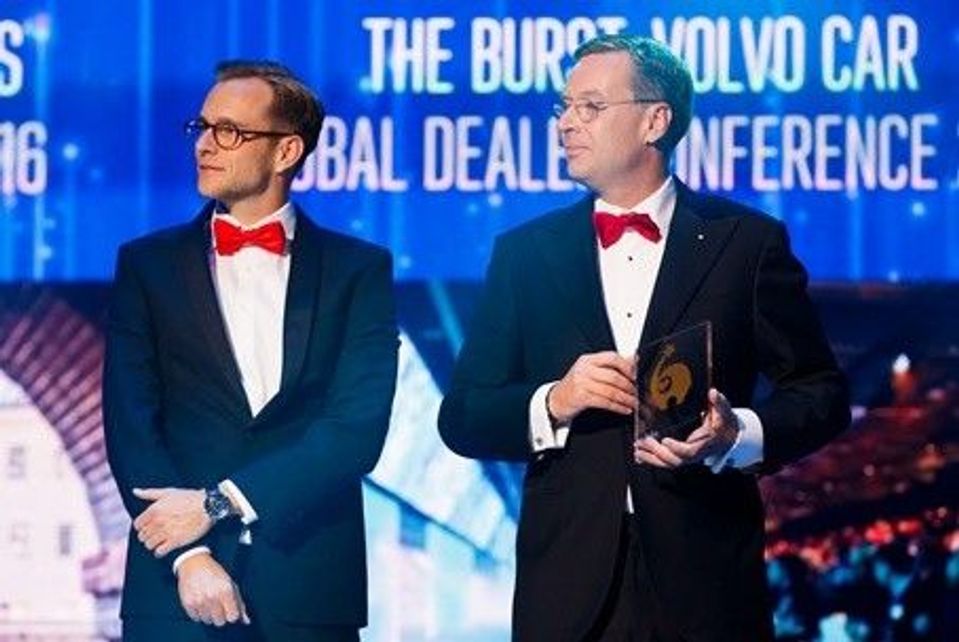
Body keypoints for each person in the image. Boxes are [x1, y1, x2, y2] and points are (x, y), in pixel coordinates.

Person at [438, 34, 849, 642]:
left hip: (706, 583)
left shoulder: (746, 243)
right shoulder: (524, 254)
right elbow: (463, 416)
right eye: (563, 107)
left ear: (655, 121)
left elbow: (821, 392)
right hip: (568, 588)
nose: (566, 124)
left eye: (590, 107)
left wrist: (736, 435)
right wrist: (554, 401)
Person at [102, 60, 398, 642]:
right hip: (175, 591)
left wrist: (221, 503)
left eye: (230, 131)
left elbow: (356, 429)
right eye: (202, 127)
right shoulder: (146, 266)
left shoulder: (358, 271)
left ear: (286, 151)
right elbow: (131, 424)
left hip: (309, 590)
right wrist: (187, 556)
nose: (205, 145)